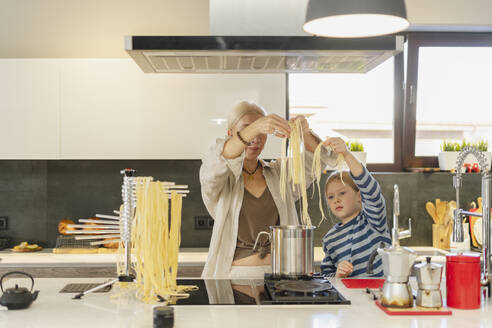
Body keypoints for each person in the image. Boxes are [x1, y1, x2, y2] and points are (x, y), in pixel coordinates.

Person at [200, 101, 337, 278]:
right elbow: (217, 160)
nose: (256, 138)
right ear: (230, 134)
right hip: (234, 278)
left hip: (283, 279)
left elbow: (319, 159)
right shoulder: (223, 178)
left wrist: (304, 132)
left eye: (261, 132)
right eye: (248, 129)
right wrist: (257, 126)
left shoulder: (279, 174)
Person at [320, 137, 391, 278]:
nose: (337, 200)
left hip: (380, 294)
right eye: (331, 197)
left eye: (342, 193)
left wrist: (346, 153)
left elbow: (370, 189)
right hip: (352, 298)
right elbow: (326, 277)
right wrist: (338, 275)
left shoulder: (373, 220)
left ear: (359, 196)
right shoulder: (330, 239)